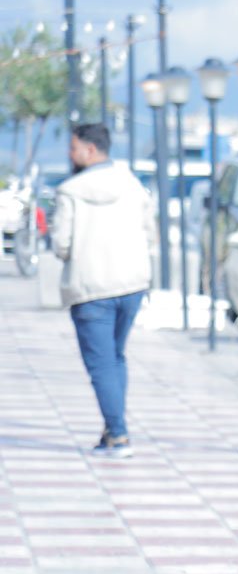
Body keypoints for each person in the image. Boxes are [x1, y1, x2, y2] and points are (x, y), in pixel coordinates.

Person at [51, 123, 158, 459]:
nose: (70, 154)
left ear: (90, 150)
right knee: (116, 357)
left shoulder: (69, 191)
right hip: (131, 284)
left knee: (101, 365)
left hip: (90, 286)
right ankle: (112, 430)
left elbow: (61, 245)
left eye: (73, 148)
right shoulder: (133, 185)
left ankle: (119, 434)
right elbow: (150, 234)